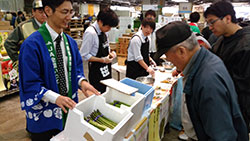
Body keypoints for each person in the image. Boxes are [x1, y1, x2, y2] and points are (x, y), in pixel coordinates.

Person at [18, 0, 100, 140]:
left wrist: (83, 83)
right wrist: (56, 98)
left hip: (67, 111)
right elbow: (30, 83)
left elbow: (76, 70)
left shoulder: (70, 43)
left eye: (71, 12)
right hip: (44, 118)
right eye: (64, 12)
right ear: (48, 11)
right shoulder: (32, 45)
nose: (69, 17)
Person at [154, 21, 248, 140]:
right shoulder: (204, 63)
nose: (167, 59)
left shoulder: (208, 81)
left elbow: (222, 136)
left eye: (166, 55)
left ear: (182, 51)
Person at [204, 1, 250, 132]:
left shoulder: (245, 46)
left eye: (212, 22)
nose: (210, 27)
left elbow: (243, 88)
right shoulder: (221, 40)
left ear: (228, 18)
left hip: (237, 110)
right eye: (208, 23)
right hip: (221, 104)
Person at [80, 8, 119, 93]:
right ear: (100, 21)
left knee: (107, 91)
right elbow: (83, 55)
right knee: (98, 94)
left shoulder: (105, 31)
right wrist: (102, 60)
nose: (109, 29)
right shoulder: (90, 33)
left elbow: (106, 47)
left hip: (106, 69)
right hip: (96, 71)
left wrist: (111, 54)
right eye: (108, 26)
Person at [4, 0, 47, 70]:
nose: (44, 15)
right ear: (33, 12)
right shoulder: (24, 27)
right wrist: (18, 61)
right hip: (31, 67)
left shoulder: (51, 26)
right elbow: (8, 44)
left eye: (46, 11)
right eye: (41, 11)